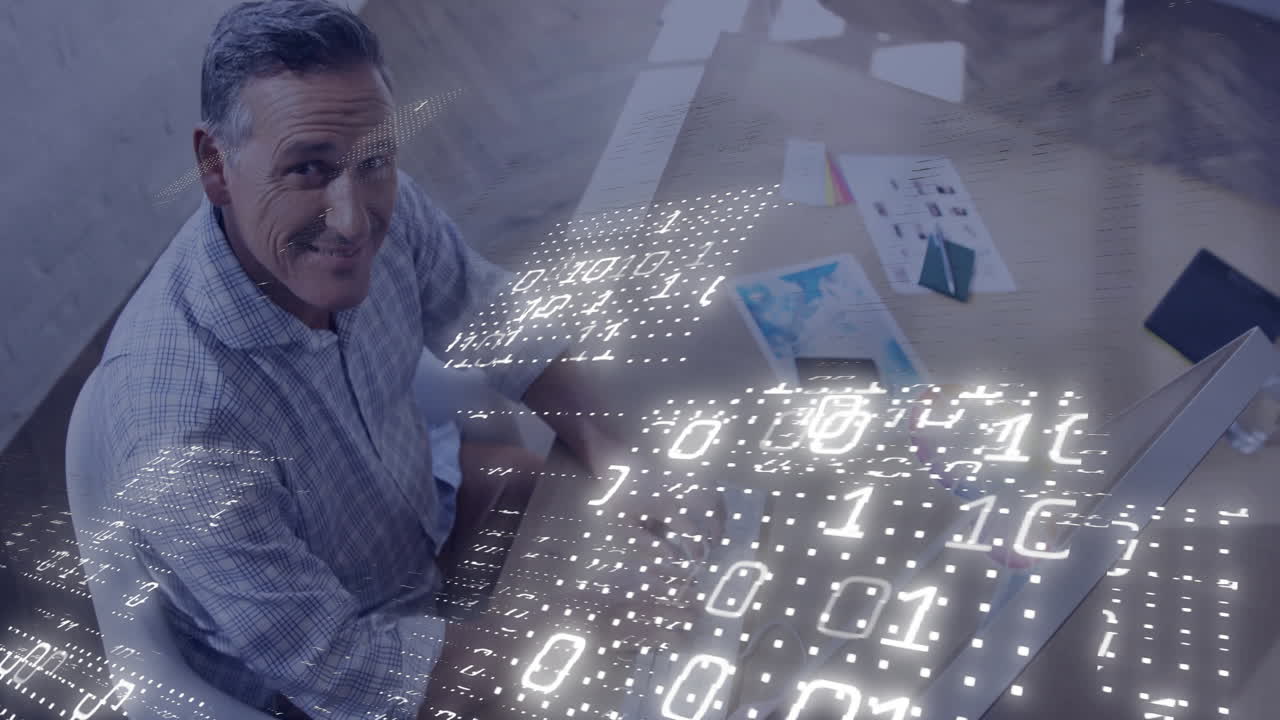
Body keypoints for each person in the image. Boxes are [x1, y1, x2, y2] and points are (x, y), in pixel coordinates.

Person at [79, 2, 710, 718]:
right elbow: (347, 669)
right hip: (324, 677)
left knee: (614, 510)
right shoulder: (181, 430)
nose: (354, 220)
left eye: (375, 160)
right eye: (307, 169)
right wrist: (591, 624)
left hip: (418, 524)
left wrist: (622, 458)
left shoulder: (381, 200)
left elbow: (501, 320)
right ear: (214, 166)